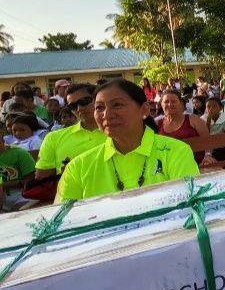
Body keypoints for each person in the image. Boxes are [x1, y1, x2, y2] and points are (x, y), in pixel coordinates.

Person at [56, 79, 199, 203]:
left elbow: (191, 206)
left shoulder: (176, 152)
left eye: (117, 105)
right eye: (99, 107)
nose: (107, 114)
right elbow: (61, 223)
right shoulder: (78, 168)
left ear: (144, 110)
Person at [156, 90, 213, 166]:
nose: (170, 104)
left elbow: (208, 140)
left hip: (196, 166)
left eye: (174, 101)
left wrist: (208, 156)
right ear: (161, 104)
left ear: (180, 104)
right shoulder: (157, 123)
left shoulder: (193, 119)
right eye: (166, 102)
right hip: (168, 167)